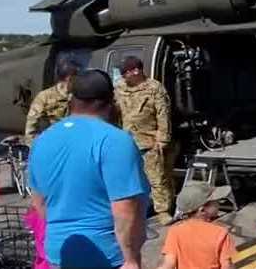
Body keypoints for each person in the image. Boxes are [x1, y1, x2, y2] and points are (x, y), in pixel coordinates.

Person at [28, 69, 150, 269]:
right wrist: (130, 259)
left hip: (59, 252)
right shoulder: (115, 140)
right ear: (110, 101)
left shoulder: (43, 139)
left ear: (72, 99)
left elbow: (39, 202)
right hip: (105, 255)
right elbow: (125, 209)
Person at [114, 56, 175, 225]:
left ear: (136, 71)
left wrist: (162, 139)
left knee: (157, 177)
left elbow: (163, 114)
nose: (122, 76)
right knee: (131, 178)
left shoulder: (154, 88)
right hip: (126, 140)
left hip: (149, 140)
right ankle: (138, 208)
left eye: (125, 72)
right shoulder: (119, 88)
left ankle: (162, 210)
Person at [157, 182, 236, 269]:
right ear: (202, 210)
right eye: (215, 201)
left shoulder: (175, 232)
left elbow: (168, 264)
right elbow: (227, 265)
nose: (218, 203)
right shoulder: (220, 233)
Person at [25, 59, 78, 145]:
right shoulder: (45, 97)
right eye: (76, 77)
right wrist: (34, 145)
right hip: (53, 142)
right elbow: (31, 124)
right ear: (69, 78)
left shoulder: (79, 95)